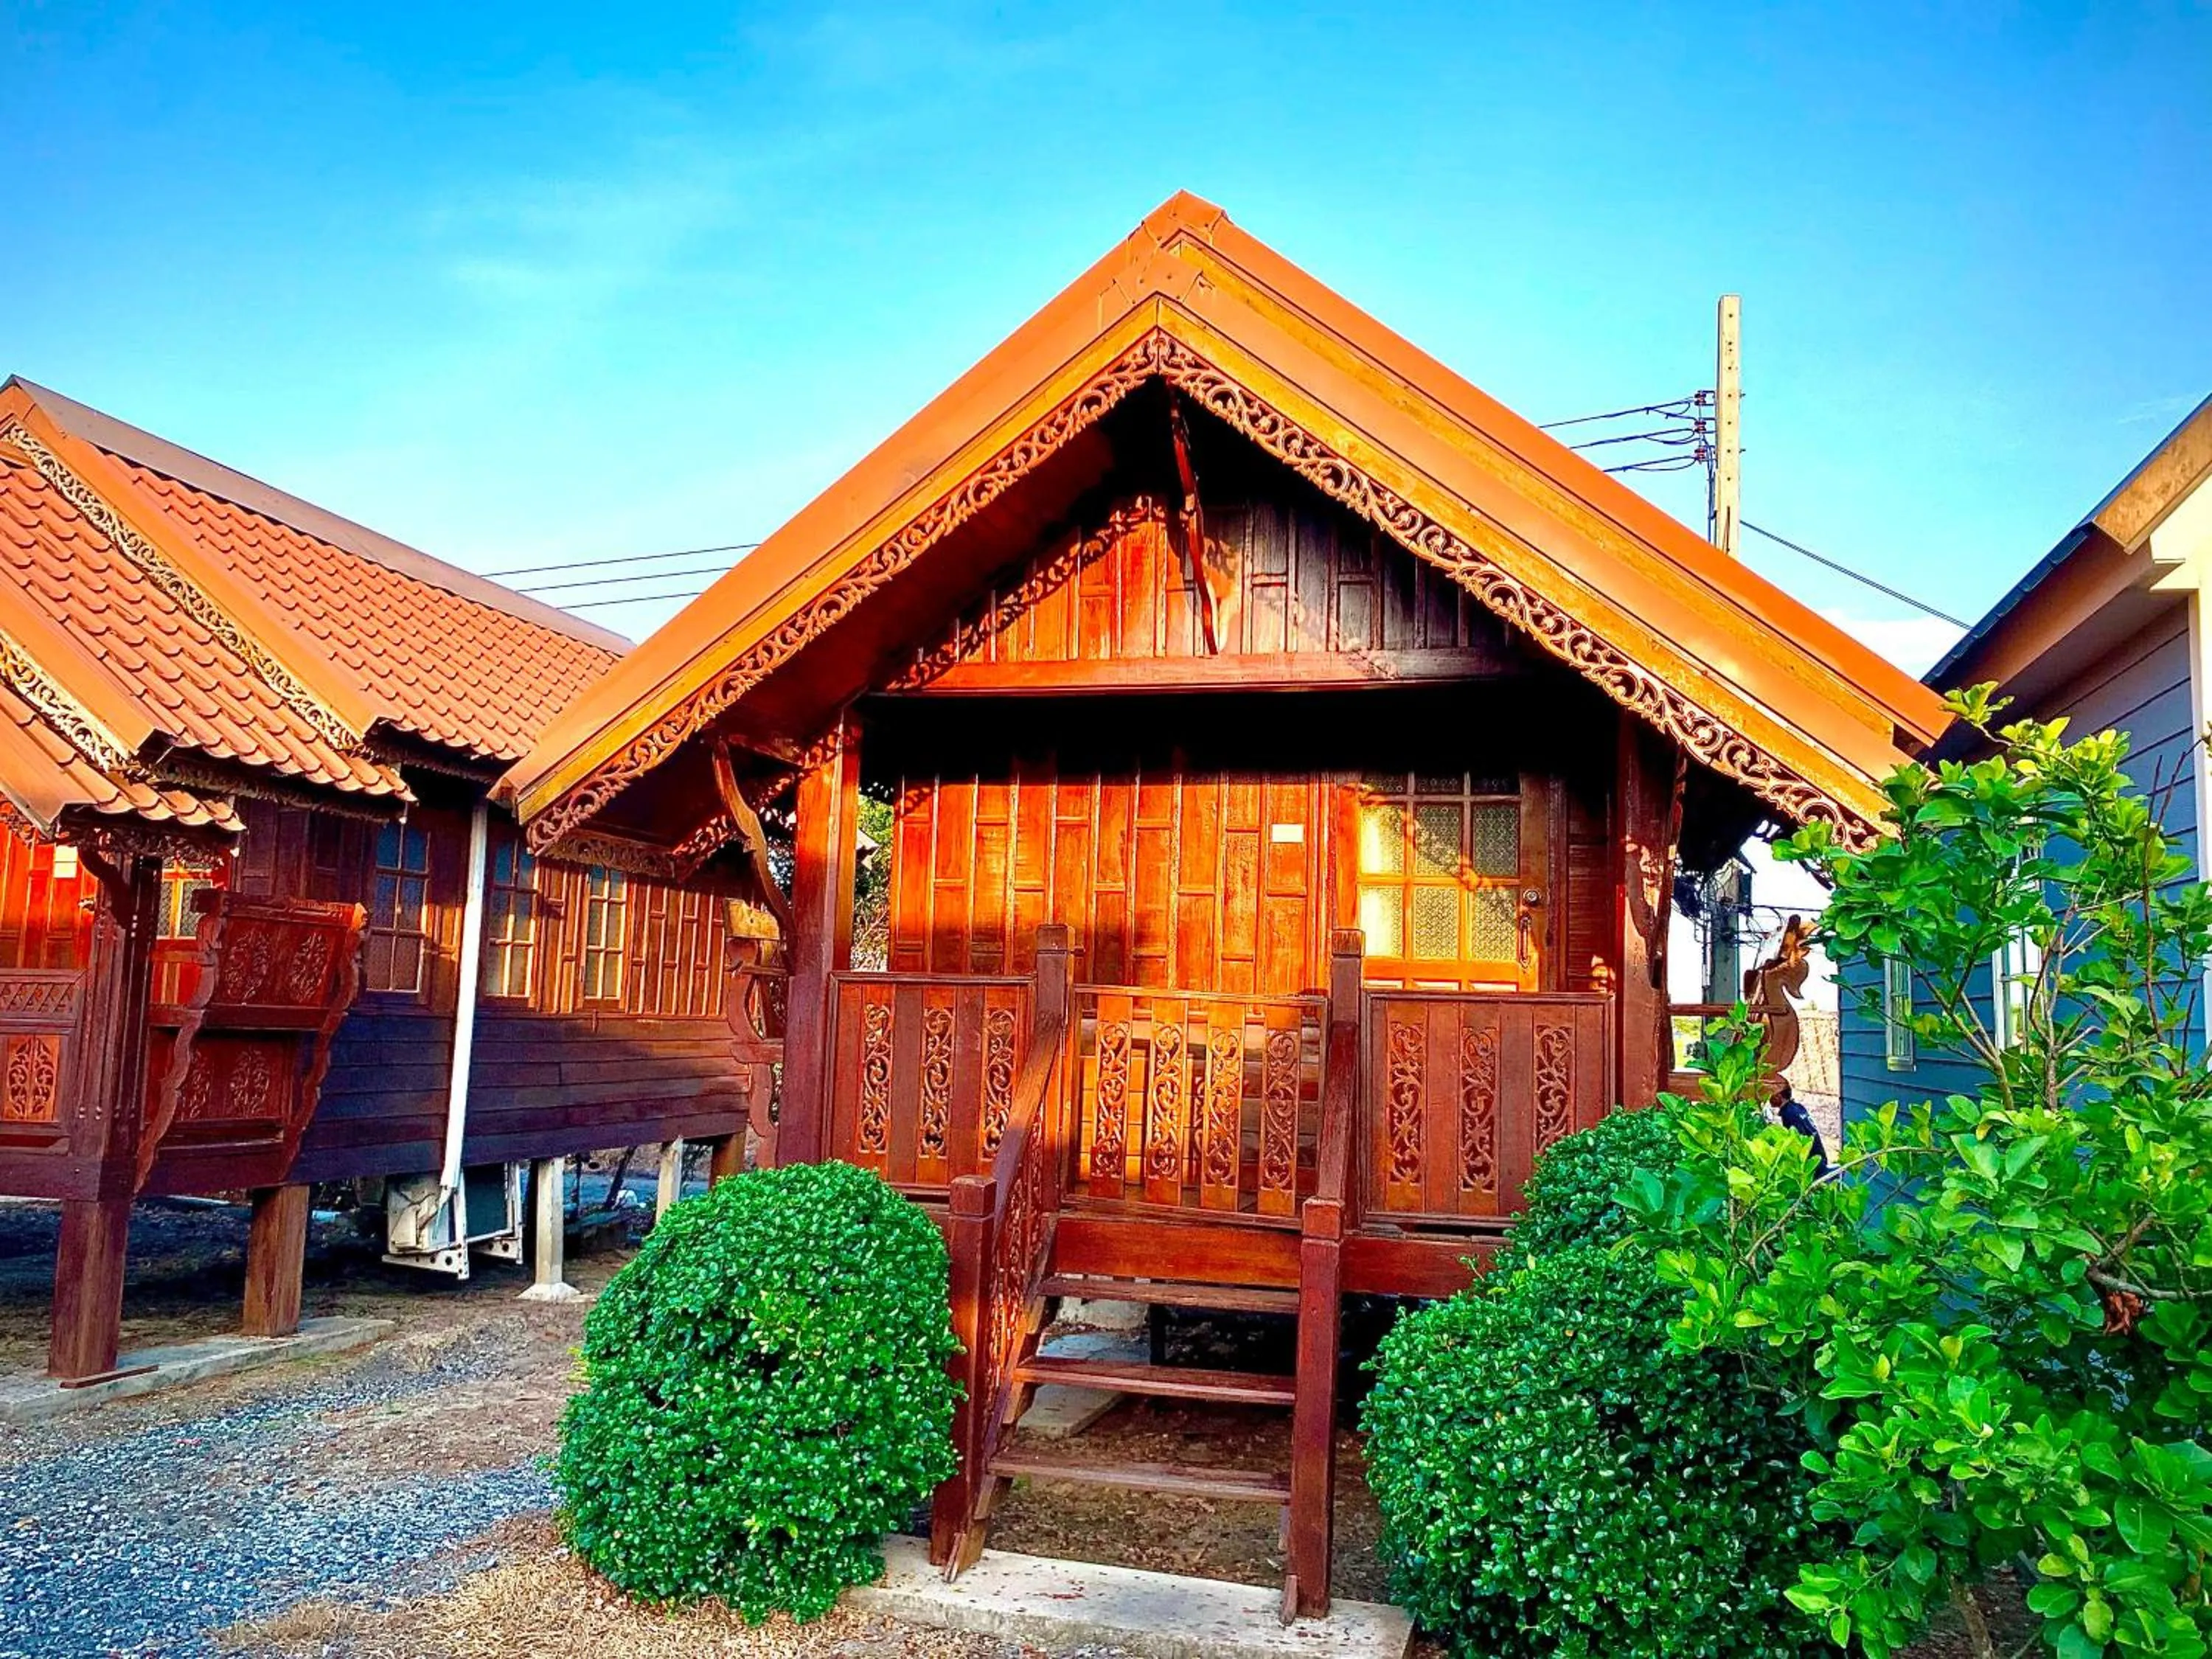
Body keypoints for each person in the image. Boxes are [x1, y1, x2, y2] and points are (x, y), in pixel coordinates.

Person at [1770, 1079, 1833, 1177]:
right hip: (1820, 1156)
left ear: (1779, 1096)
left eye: (1772, 1095)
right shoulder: (1798, 1107)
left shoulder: (1788, 1114)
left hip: (1811, 1164)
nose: (1769, 1098)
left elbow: (1797, 1140)